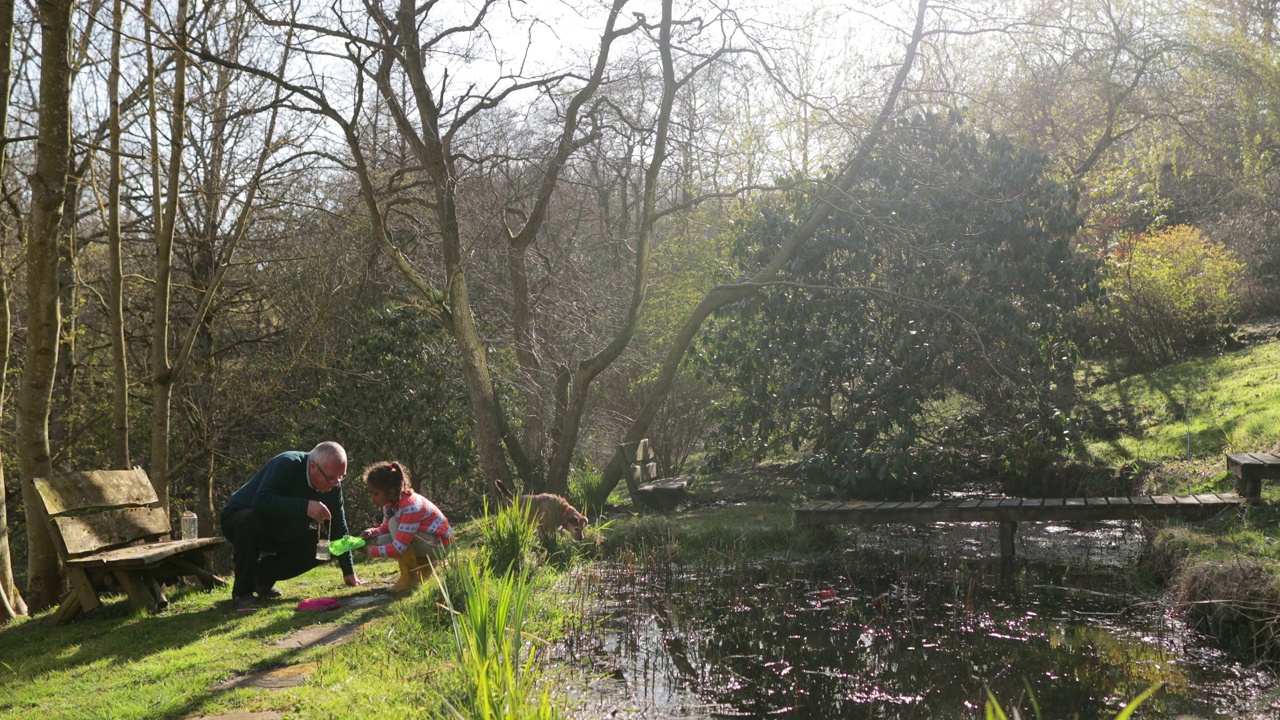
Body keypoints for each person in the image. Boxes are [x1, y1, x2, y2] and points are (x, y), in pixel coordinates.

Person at [220, 441, 363, 607]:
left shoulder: (333, 487)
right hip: (241, 521)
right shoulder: (286, 464)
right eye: (331, 478)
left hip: (282, 529)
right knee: (253, 520)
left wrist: (349, 572)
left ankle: (261, 578)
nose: (335, 484)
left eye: (341, 477)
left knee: (324, 547)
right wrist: (305, 506)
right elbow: (261, 501)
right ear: (313, 467)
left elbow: (339, 526)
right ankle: (242, 592)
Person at [359, 461, 452, 592]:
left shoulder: (410, 507)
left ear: (391, 492)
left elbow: (399, 549)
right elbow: (384, 529)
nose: (372, 498)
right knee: (377, 540)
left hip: (440, 546)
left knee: (394, 523)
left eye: (375, 494)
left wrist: (369, 552)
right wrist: (371, 533)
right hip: (426, 541)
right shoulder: (390, 504)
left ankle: (408, 578)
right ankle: (419, 571)